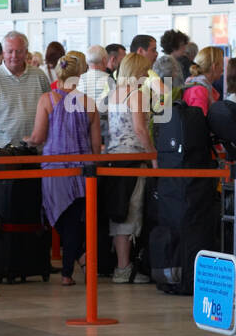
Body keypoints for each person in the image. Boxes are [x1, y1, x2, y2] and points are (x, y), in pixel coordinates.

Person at [24, 52, 101, 286]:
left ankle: (72, 267)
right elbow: (96, 144)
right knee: (75, 220)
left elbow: (38, 136)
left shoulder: (48, 99)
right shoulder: (89, 103)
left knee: (59, 218)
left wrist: (25, 139)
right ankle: (73, 266)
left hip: (55, 169)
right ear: (79, 75)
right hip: (83, 169)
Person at [107, 53, 155, 284]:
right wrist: (153, 155)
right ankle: (125, 268)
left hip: (114, 159)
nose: (147, 75)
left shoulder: (113, 94)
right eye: (145, 70)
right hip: (134, 159)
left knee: (119, 211)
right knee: (132, 211)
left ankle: (121, 266)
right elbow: (140, 129)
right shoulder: (136, 95)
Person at [0, 31, 50, 152]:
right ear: (3, 53)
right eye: (10, 51)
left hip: (35, 150)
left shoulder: (39, 76)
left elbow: (50, 111)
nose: (14, 56)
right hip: (2, 152)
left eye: (19, 51)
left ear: (26, 52)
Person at [182, 46, 223, 116]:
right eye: (222, 64)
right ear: (214, 67)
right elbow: (199, 122)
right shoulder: (199, 90)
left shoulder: (201, 85)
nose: (223, 69)